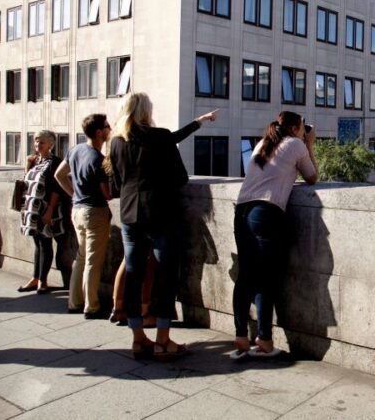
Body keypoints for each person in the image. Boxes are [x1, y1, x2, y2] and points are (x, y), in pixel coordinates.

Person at [109, 92, 216, 360]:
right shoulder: (160, 136)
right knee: (166, 275)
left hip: (129, 214)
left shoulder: (116, 142)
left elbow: (116, 182)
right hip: (161, 214)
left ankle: (137, 340)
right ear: (146, 111)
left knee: (134, 275)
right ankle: (163, 341)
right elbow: (180, 177)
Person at [232, 111, 318, 359]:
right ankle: (264, 339)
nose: (305, 130)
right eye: (303, 127)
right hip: (266, 213)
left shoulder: (263, 143)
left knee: (246, 275)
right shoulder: (296, 144)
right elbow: (312, 177)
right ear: (294, 128)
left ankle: (240, 336)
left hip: (242, 211)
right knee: (266, 278)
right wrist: (309, 144)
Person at [54, 114, 113, 318]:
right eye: (107, 126)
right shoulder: (99, 159)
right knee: (93, 261)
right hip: (95, 211)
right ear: (99, 132)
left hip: (77, 211)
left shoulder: (75, 149)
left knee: (80, 258)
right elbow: (107, 194)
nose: (109, 128)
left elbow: (59, 175)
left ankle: (74, 302)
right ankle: (92, 306)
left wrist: (74, 195)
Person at [18, 131, 66, 294]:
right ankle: (35, 277)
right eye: (36, 142)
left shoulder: (55, 162)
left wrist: (50, 210)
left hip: (46, 208)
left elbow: (56, 189)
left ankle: (43, 280)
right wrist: (27, 165)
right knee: (37, 243)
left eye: (42, 142)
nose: (38, 145)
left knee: (45, 243)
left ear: (51, 144)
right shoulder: (34, 160)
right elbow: (26, 181)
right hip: (32, 208)